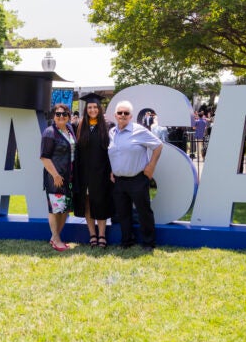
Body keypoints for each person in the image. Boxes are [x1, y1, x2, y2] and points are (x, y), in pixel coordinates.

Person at [108, 100, 163, 250]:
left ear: (131, 116)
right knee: (123, 213)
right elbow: (114, 153)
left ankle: (148, 243)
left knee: (143, 212)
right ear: (115, 115)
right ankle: (127, 241)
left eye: (126, 113)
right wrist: (112, 170)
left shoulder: (139, 131)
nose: (123, 115)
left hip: (138, 179)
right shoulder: (112, 133)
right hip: (119, 181)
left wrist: (151, 166)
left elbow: (158, 146)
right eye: (120, 113)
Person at [73, 93, 113, 248]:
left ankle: (102, 235)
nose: (92, 110)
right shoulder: (80, 126)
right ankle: (92, 235)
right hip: (84, 173)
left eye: (95, 107)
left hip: (101, 172)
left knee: (101, 202)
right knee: (87, 203)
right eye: (89, 107)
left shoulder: (107, 126)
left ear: (99, 108)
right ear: (86, 109)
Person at [40, 103, 76, 251]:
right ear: (54, 116)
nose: (61, 117)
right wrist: (55, 175)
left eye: (64, 114)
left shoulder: (70, 129)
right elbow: (44, 157)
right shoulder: (49, 132)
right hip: (56, 177)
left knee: (65, 208)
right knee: (55, 209)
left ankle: (55, 237)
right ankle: (56, 239)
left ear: (68, 116)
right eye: (58, 114)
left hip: (70, 177)